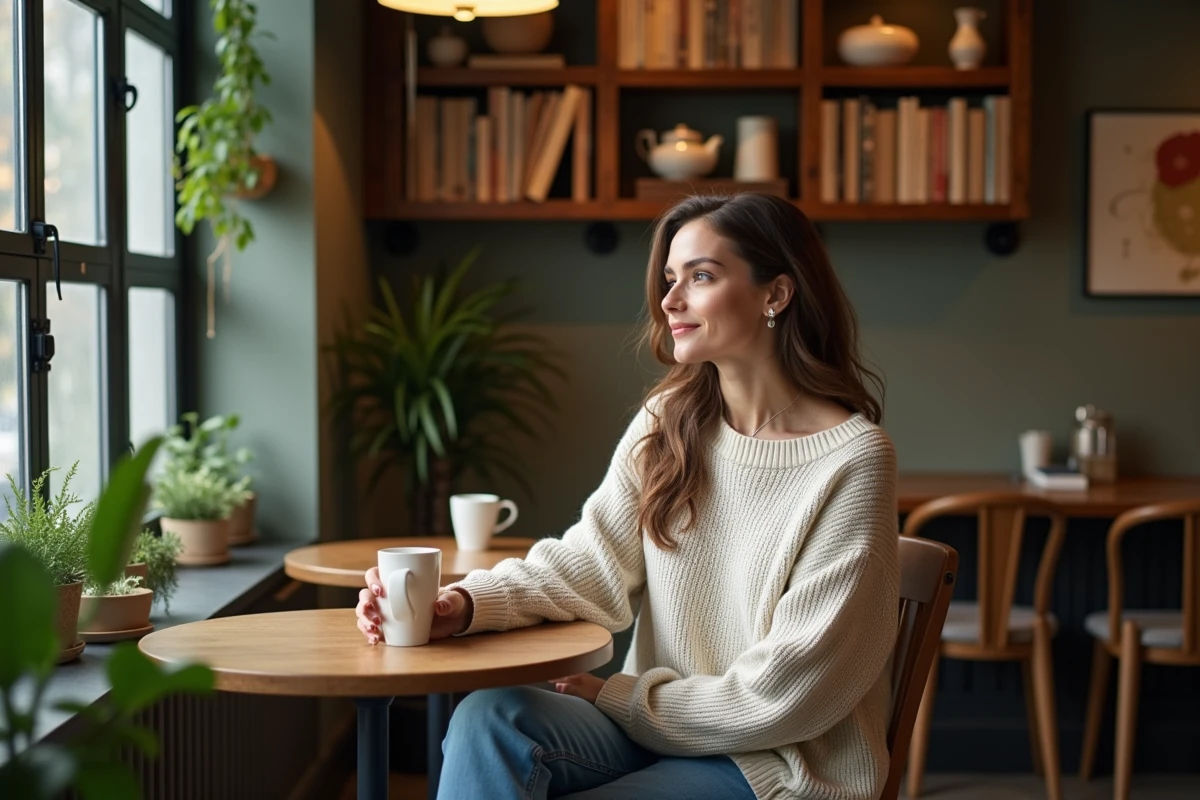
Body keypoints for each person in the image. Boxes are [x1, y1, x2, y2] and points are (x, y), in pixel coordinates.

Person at [355, 193, 899, 800]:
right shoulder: (671, 418)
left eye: (701, 276)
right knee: (489, 718)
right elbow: (591, 564)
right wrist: (461, 606)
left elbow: (787, 692)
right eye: (671, 278)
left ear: (776, 293)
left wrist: (625, 696)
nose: (670, 300)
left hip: (775, 762)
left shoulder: (852, 460)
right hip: (657, 729)